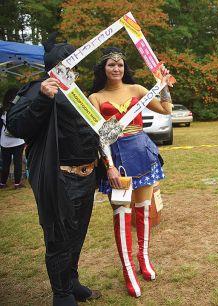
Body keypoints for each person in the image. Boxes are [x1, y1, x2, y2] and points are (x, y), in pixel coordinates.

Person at [7, 33, 101, 306]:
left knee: (76, 234)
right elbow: (16, 126)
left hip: (86, 176)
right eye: (66, 64)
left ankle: (71, 282)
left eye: (74, 64)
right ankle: (61, 295)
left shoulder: (77, 93)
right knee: (58, 238)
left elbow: (89, 134)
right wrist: (43, 99)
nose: (71, 70)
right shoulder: (39, 89)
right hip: (59, 178)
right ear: (54, 66)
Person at [88, 47, 173, 298]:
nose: (116, 69)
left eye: (120, 65)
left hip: (143, 154)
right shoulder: (94, 97)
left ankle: (143, 258)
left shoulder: (137, 90)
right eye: (111, 65)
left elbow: (166, 109)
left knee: (144, 211)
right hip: (117, 161)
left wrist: (163, 83)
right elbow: (99, 136)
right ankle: (127, 270)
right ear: (103, 68)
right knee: (122, 216)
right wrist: (109, 166)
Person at [1, 88, 26, 189]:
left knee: (5, 162)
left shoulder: (2, 110)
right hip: (18, 140)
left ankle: (2, 183)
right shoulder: (19, 108)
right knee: (17, 162)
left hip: (4, 141)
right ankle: (17, 183)